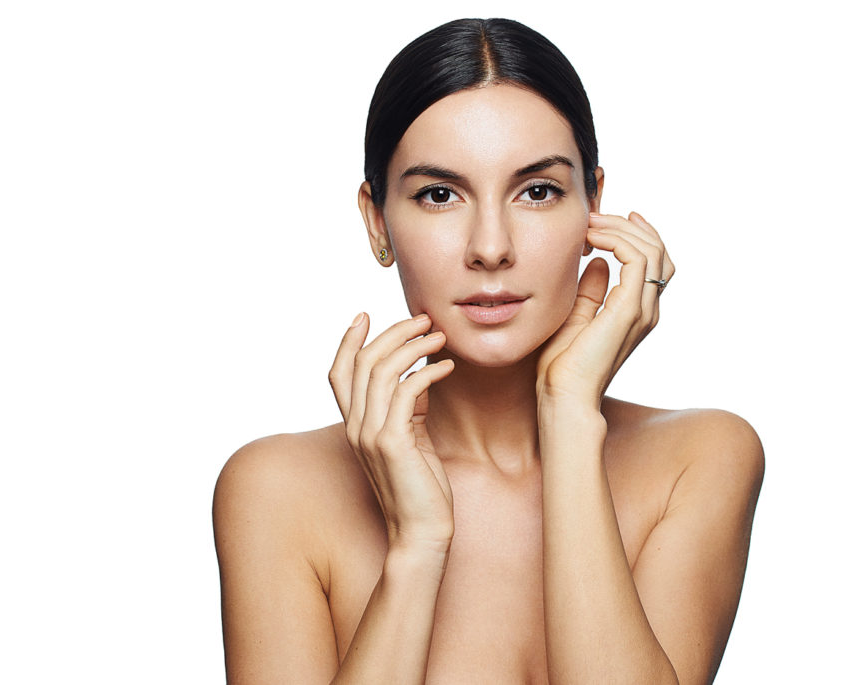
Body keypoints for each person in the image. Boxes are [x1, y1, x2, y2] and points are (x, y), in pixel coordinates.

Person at [213, 17, 763, 684]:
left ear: (593, 205)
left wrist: (569, 414)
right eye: (439, 194)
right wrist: (416, 548)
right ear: (377, 220)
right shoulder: (277, 491)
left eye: (537, 191)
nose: (491, 247)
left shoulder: (701, 458)